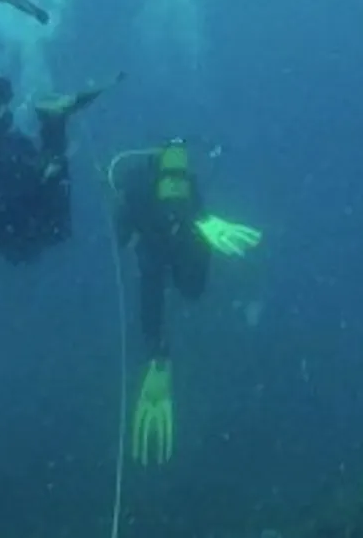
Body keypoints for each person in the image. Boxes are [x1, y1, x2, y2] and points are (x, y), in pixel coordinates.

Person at [108, 139, 262, 466]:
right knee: (192, 287)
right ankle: (198, 227)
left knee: (170, 275)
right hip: (185, 227)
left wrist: (158, 357)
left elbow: (149, 287)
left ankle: (196, 227)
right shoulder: (173, 187)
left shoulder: (133, 198)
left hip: (172, 232)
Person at [0, 63, 115, 300]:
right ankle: (42, 121)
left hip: (14, 208)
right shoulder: (3, 162)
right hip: (14, 196)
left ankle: (42, 121)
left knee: (38, 193)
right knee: (36, 180)